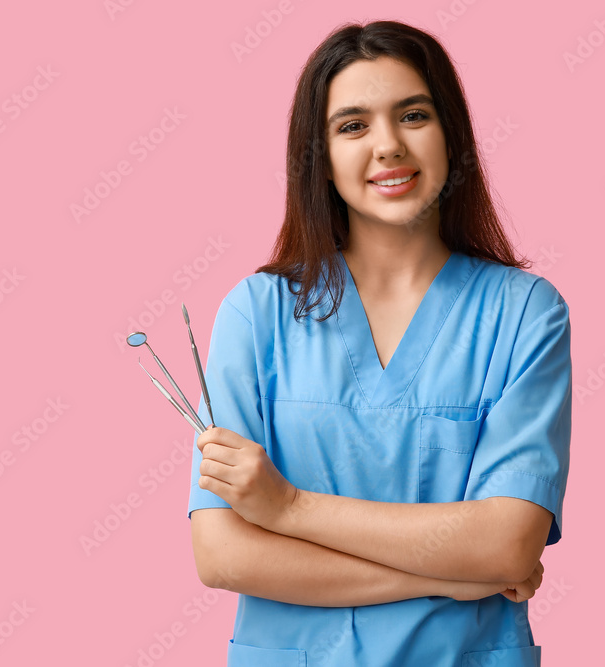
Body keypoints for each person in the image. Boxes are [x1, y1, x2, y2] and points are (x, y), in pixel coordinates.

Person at [187, 19, 572, 667]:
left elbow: (507, 546)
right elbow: (223, 555)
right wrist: (451, 575)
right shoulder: (256, 314)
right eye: (353, 126)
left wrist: (287, 507)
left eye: (413, 115)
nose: (388, 145)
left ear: (451, 133)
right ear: (319, 156)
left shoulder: (525, 313)